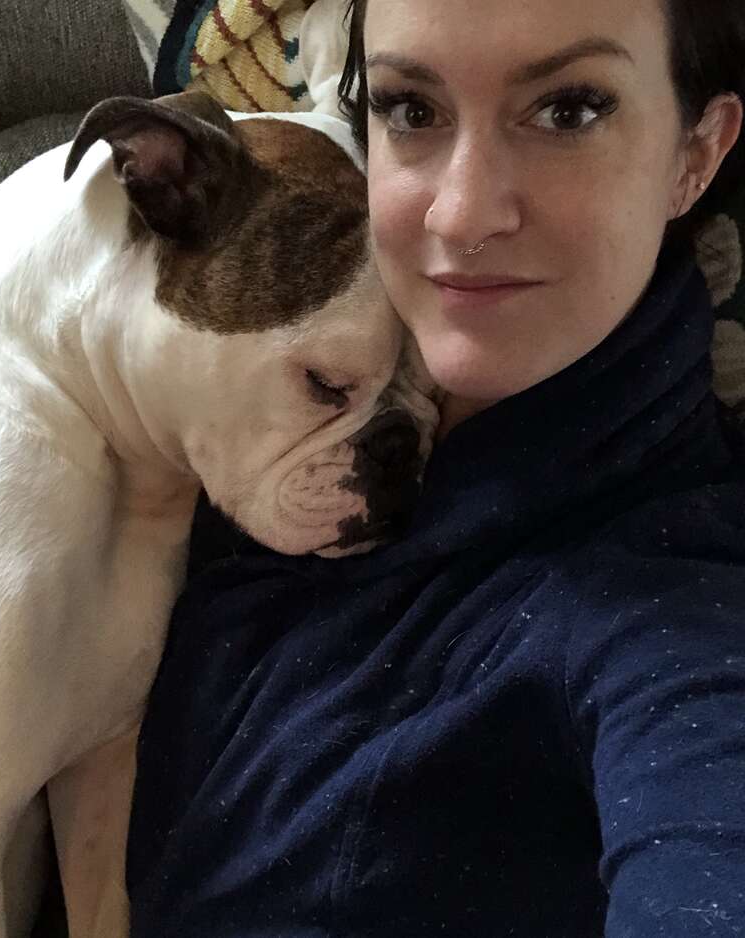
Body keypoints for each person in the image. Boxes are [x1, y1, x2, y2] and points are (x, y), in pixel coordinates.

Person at [126, 1, 745, 935]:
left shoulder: (677, 606)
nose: (460, 214)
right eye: (411, 109)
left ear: (696, 154)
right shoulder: (237, 332)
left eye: (569, 110)